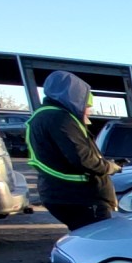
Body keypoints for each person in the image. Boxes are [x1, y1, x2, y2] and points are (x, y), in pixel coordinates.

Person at [25, 71, 122, 230]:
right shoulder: (61, 119)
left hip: (60, 194)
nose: (89, 110)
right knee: (98, 243)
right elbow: (84, 159)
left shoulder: (41, 116)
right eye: (87, 105)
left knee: (84, 238)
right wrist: (110, 167)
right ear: (75, 98)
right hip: (80, 197)